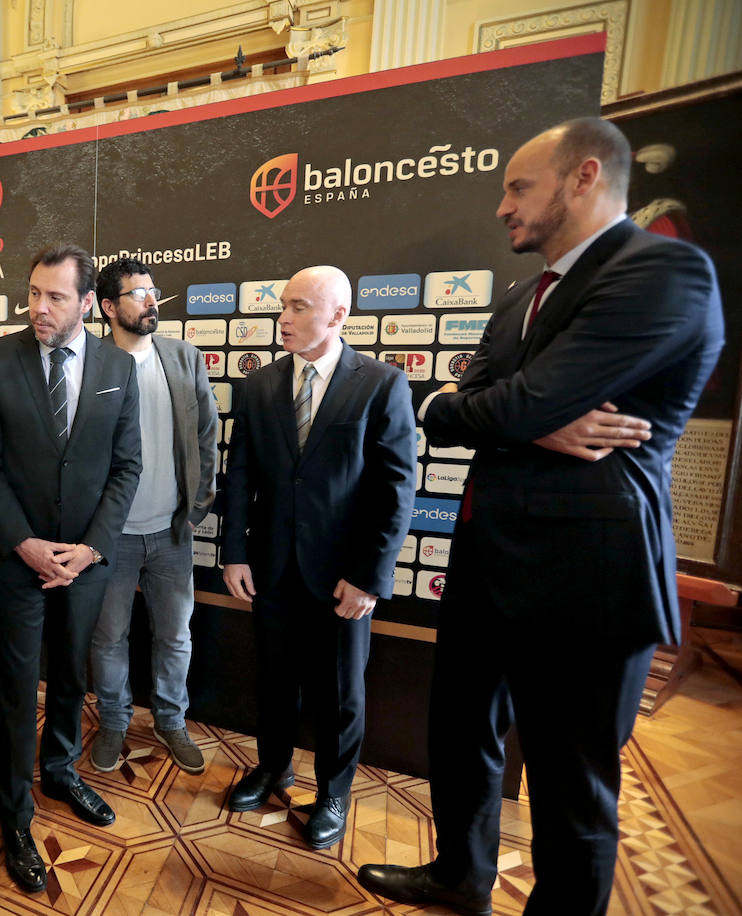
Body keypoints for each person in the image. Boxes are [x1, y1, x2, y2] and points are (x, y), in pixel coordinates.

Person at [357, 118, 723, 915]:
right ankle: (461, 876)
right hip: (488, 559)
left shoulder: (666, 272)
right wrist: (520, 414)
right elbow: (441, 408)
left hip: (590, 576)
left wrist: (510, 409)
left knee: (569, 786)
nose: (501, 207)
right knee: (458, 739)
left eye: (517, 187)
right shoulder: (524, 293)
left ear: (584, 177)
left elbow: (510, 401)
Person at [0, 243, 141, 893]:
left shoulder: (118, 368)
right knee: (17, 688)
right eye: (34, 293)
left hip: (87, 562)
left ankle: (61, 772)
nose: (39, 307)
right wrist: (25, 544)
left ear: (88, 303)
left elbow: (127, 467)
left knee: (72, 674)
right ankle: (13, 811)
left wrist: (92, 548)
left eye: (56, 297)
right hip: (19, 562)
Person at [222, 265, 415, 850]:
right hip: (273, 567)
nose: (284, 317)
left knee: (340, 693)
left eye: (301, 307)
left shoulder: (381, 383)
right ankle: (272, 766)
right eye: (283, 305)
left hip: (344, 576)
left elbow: (396, 488)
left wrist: (369, 577)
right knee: (275, 680)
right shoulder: (259, 385)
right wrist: (235, 553)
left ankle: (333, 791)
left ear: (337, 316)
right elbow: (241, 476)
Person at [88, 257, 218, 774]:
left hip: (171, 533)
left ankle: (171, 720)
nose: (151, 302)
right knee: (108, 637)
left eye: (153, 291)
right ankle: (115, 722)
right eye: (138, 294)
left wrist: (195, 510)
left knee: (176, 636)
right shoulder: (89, 363)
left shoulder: (183, 358)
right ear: (107, 307)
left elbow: (206, 437)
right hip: (109, 537)